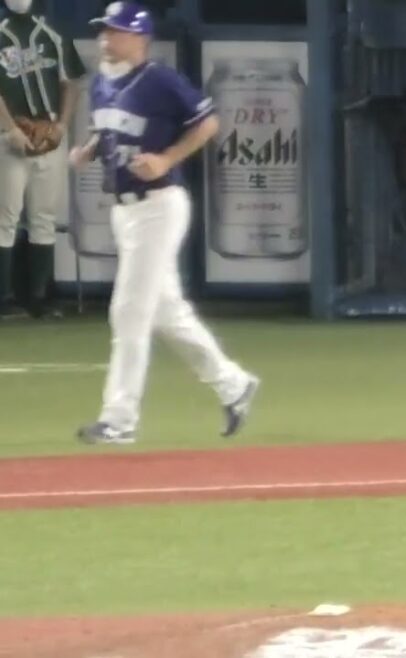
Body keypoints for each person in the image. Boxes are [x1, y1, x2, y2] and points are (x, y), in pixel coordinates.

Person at [70, 2, 259, 445]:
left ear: (140, 38)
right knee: (168, 312)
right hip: (125, 211)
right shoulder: (101, 82)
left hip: (158, 206)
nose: (105, 39)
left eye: (115, 31)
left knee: (129, 311)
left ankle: (120, 420)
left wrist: (167, 158)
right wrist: (89, 149)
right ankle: (234, 383)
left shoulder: (159, 80)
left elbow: (207, 122)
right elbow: (108, 130)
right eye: (104, 31)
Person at [0, 0, 86, 318]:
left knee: (44, 217)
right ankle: (4, 298)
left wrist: (62, 125)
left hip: (48, 133)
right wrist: (10, 128)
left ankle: (39, 297)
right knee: (5, 218)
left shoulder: (53, 31)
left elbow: (72, 82)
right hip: (8, 137)